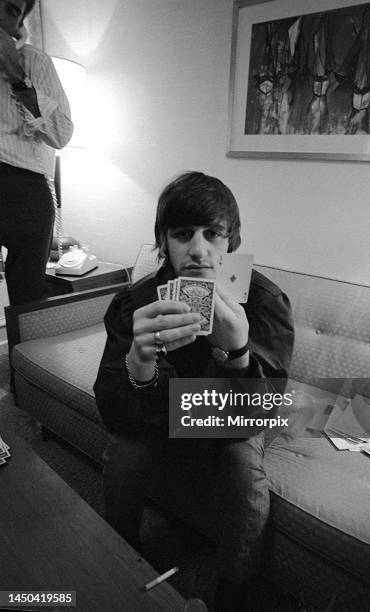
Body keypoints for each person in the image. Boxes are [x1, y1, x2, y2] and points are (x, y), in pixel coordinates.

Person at [94, 171, 294, 610]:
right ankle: (121, 555)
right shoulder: (136, 303)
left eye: (213, 234)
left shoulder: (264, 302)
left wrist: (238, 352)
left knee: (246, 473)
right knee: (125, 453)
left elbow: (260, 416)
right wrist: (139, 364)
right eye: (183, 235)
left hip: (231, 422)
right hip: (160, 412)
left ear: (232, 241)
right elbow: (115, 413)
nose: (200, 250)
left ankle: (234, 591)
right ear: (163, 241)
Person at [0, 0, 73, 305]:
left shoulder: (34, 62)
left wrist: (17, 77)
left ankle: (22, 353)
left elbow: (60, 134)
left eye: (13, 10)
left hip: (25, 188)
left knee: (28, 297)